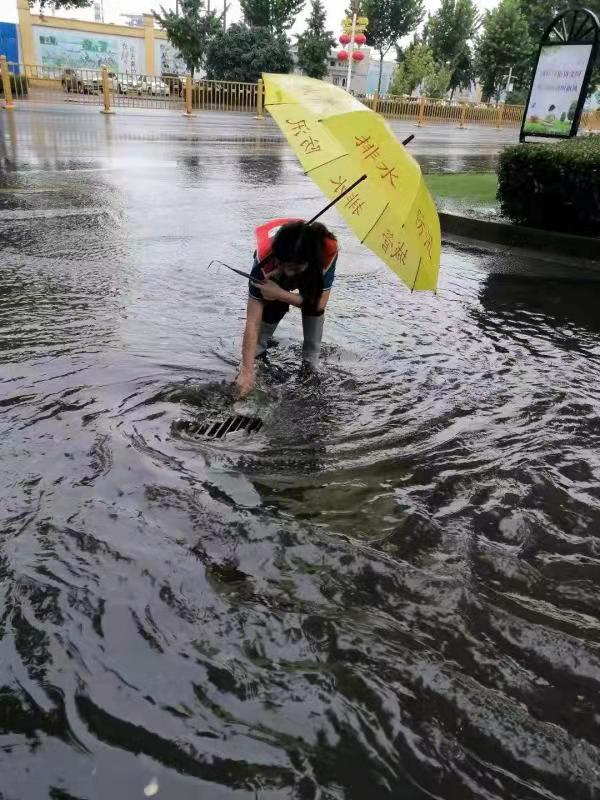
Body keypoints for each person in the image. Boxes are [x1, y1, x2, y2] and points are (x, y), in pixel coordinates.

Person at [235, 218, 338, 398]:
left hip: (311, 272)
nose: (290, 272)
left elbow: (319, 303)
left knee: (312, 307)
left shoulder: (326, 250)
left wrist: (280, 293)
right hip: (273, 272)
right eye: (284, 265)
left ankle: (310, 367)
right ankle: (259, 362)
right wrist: (246, 370)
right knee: (268, 313)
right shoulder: (263, 261)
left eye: (295, 268)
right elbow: (252, 322)